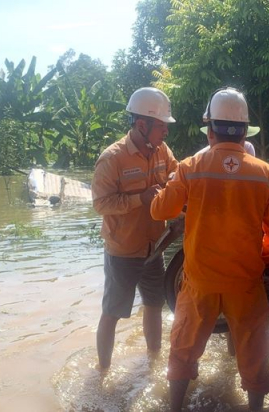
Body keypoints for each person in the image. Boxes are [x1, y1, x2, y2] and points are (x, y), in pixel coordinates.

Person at [150, 87, 269, 412]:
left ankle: (174, 408)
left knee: (183, 349)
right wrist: (260, 260)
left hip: (200, 283)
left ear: (210, 129)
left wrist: (163, 191)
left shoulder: (190, 167)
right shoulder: (266, 174)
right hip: (246, 283)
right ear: (243, 131)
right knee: (255, 352)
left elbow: (160, 212)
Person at [91, 87, 179, 369]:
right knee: (113, 312)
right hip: (123, 251)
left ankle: (153, 364)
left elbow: (177, 177)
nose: (165, 132)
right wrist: (138, 199)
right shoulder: (112, 158)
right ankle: (102, 371)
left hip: (155, 246)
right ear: (142, 125)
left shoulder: (163, 151)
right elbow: (101, 204)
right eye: (161, 126)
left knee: (154, 304)